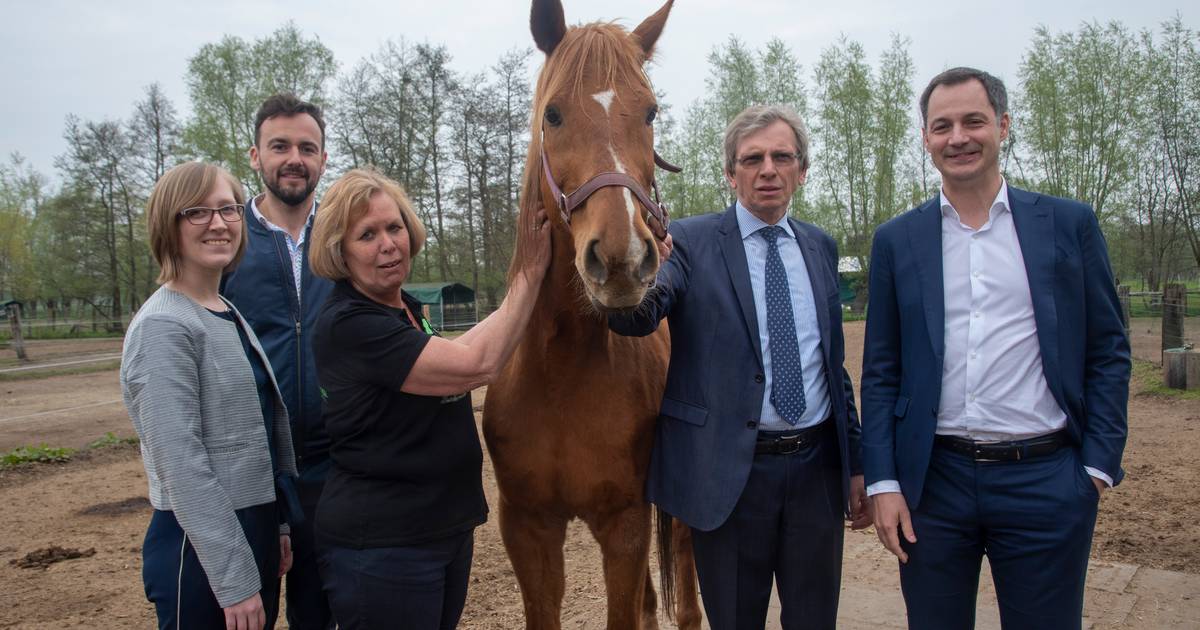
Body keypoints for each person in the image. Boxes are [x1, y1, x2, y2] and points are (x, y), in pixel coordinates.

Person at [861, 67, 1131, 629]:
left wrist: (1097, 467)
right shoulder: (896, 240)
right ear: (927, 138)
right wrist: (884, 482)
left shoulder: (1068, 224)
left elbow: (1107, 349)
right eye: (942, 126)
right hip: (934, 486)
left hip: (1046, 480)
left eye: (973, 121)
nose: (957, 137)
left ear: (1003, 126)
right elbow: (882, 371)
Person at [609, 104, 871, 630]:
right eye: (752, 159)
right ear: (731, 174)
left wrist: (857, 464)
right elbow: (638, 320)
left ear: (802, 168)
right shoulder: (688, 242)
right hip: (729, 478)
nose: (767, 169)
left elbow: (833, 366)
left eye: (781, 156)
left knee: (815, 619)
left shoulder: (820, 247)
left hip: (817, 473)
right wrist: (635, 269)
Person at [307, 168, 551, 628]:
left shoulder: (403, 309)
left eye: (394, 227)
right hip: (385, 548)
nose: (388, 244)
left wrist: (522, 301)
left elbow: (461, 351)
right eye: (367, 235)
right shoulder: (350, 323)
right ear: (339, 250)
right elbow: (476, 365)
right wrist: (529, 274)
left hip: (437, 532)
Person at [122, 161, 301, 630]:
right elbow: (180, 463)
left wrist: (276, 525)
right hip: (200, 546)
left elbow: (254, 430)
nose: (219, 223)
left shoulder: (224, 310)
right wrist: (233, 578)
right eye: (198, 212)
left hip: (252, 528)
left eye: (228, 209)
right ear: (168, 223)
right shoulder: (164, 326)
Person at [219, 93, 335, 629]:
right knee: (248, 610)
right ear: (254, 156)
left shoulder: (344, 236)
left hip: (334, 464)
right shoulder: (224, 240)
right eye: (280, 146)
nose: (295, 158)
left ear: (323, 159)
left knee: (320, 611)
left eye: (307, 147)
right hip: (251, 466)